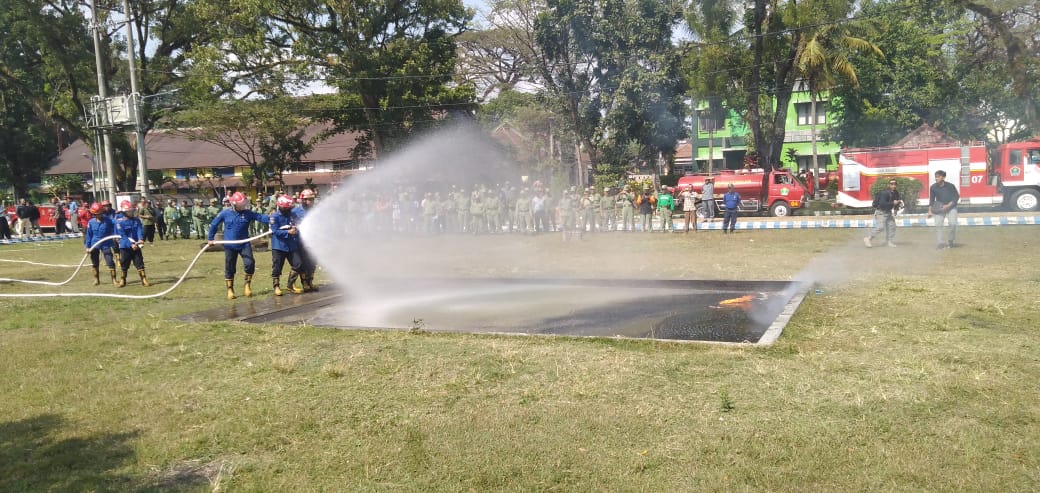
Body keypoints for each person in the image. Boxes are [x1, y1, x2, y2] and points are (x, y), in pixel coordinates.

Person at [208, 192, 270, 299]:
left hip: (244, 244)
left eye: (244, 204)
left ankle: (247, 285)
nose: (243, 206)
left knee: (250, 263)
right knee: (230, 267)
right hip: (230, 245)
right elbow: (214, 224)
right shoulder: (225, 213)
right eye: (241, 204)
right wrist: (210, 238)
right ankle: (230, 290)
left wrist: (272, 218)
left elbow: (260, 217)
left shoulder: (247, 213)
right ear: (234, 204)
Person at [268, 194, 304, 296]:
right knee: (277, 267)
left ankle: (290, 285)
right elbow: (274, 231)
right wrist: (287, 232)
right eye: (287, 208)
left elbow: (298, 224)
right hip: (279, 246)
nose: (289, 209)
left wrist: (297, 228)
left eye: (290, 208)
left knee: (298, 264)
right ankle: (276, 286)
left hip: (291, 245)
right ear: (281, 206)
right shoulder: (274, 217)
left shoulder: (292, 215)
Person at [114, 200, 150, 287]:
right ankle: (123, 280)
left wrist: (140, 239)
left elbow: (139, 230)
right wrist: (131, 244)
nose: (132, 212)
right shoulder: (119, 222)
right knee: (124, 263)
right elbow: (122, 235)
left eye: (132, 211)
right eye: (130, 211)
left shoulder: (136, 220)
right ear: (124, 212)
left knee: (139, 262)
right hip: (125, 246)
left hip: (136, 245)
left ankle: (144, 279)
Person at [288, 188, 317, 292]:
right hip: (300, 241)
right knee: (304, 263)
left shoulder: (316, 210)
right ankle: (304, 282)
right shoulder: (295, 211)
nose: (310, 201)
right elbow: (289, 223)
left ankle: (310, 281)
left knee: (313, 262)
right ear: (302, 199)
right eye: (307, 199)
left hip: (313, 241)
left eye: (312, 199)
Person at [84, 203, 118, 285]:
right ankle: (96, 279)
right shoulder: (91, 222)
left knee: (110, 261)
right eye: (95, 214)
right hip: (94, 244)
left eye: (99, 213)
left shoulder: (109, 220)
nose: (97, 215)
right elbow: (89, 235)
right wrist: (88, 247)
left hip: (106, 243)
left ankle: (114, 279)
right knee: (95, 262)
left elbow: (117, 225)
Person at [864, 179, 903, 248]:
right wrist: (892, 203)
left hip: (888, 212)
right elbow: (882, 204)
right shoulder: (885, 193)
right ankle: (868, 238)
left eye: (895, 184)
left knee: (892, 226)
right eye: (891, 184)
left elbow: (897, 201)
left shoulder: (896, 193)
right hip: (881, 212)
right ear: (888, 185)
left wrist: (896, 209)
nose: (893, 185)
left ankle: (889, 241)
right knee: (881, 227)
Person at [928, 170, 960, 249]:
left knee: (953, 224)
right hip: (939, 208)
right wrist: (930, 211)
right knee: (938, 224)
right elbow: (931, 200)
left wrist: (948, 205)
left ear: (943, 177)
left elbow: (956, 197)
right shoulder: (933, 187)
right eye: (935, 177)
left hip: (951, 207)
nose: (936, 178)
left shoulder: (950, 186)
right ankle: (940, 243)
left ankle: (951, 241)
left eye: (938, 177)